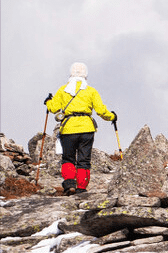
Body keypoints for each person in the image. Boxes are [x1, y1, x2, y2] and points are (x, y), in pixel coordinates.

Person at [44, 62, 116, 195]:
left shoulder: (63, 90)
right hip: (87, 129)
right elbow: (101, 111)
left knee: (68, 158)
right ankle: (81, 187)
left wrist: (48, 101)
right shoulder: (91, 91)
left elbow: (53, 108)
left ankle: (70, 184)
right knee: (84, 160)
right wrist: (112, 117)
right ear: (85, 75)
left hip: (68, 129)